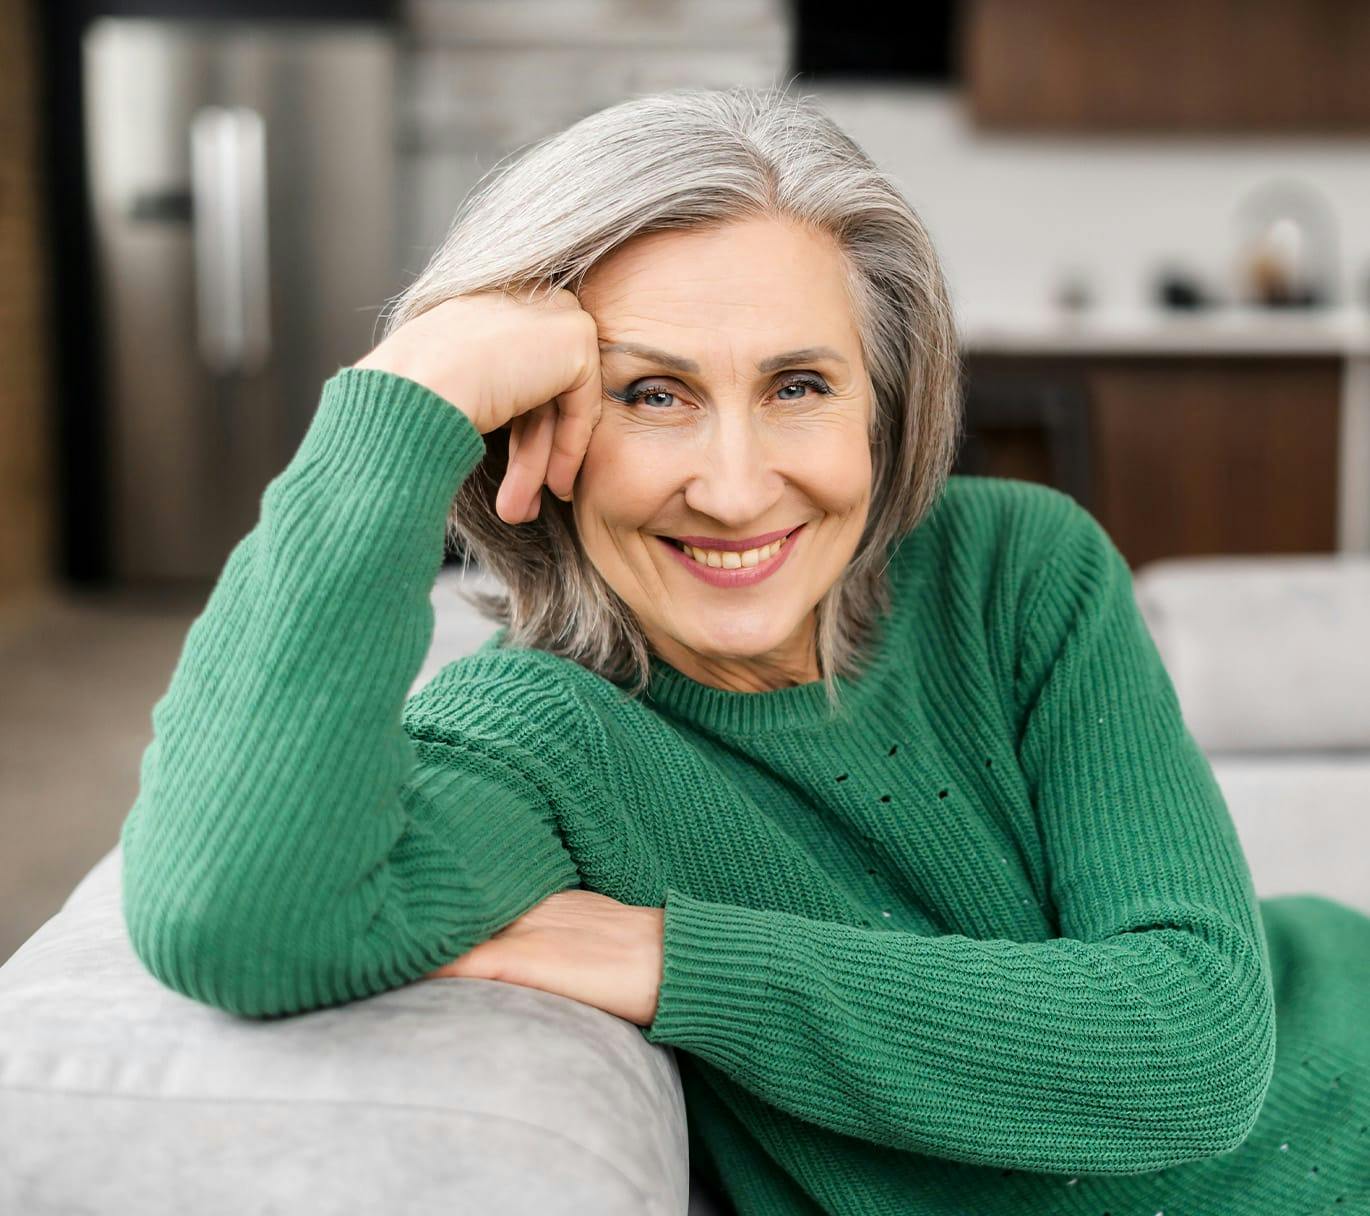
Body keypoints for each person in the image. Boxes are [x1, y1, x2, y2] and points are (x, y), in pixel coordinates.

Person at [120, 83, 1370, 1215]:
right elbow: (231, 919)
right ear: (533, 438)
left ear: (884, 412)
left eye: (797, 386)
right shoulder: (537, 739)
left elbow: (1194, 1046)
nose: (732, 488)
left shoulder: (1012, 567)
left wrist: (682, 956)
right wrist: (411, 393)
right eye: (649, 393)